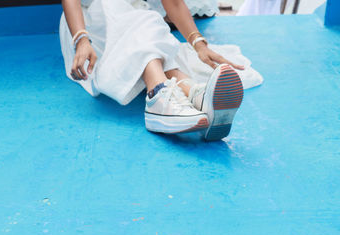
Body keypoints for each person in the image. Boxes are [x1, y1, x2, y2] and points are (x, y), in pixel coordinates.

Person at [60, 0, 245, 140]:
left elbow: (172, 1)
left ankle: (190, 93)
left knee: (146, 23)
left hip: (136, 15)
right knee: (141, 23)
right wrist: (81, 40)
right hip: (87, 26)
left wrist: (199, 45)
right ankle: (162, 92)